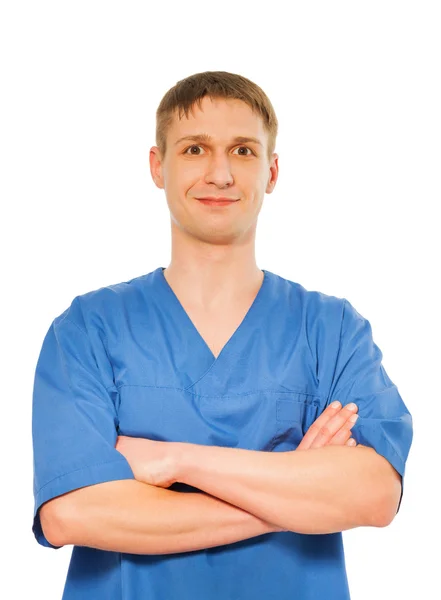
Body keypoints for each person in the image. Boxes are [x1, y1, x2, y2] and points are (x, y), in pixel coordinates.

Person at [32, 70, 413, 600]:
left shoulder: (331, 330)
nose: (219, 173)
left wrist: (177, 462)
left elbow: (373, 495)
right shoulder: (89, 330)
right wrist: (293, 492)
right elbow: (71, 513)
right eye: (194, 149)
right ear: (156, 166)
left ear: (272, 170)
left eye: (242, 150)